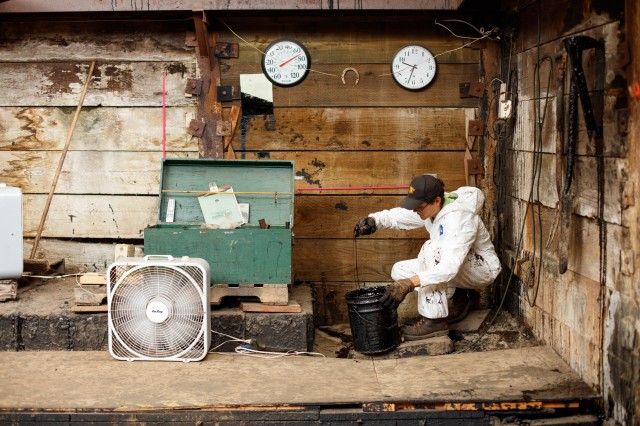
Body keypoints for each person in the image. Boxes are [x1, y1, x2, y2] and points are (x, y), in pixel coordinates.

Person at [354, 174, 501, 341]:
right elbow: (401, 216)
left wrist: (409, 284)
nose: (415, 210)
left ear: (436, 200)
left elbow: (449, 267)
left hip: (482, 269)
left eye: (419, 207)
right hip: (458, 265)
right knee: (400, 270)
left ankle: (435, 321)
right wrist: (375, 220)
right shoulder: (431, 208)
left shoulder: (459, 219)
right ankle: (464, 296)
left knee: (431, 249)